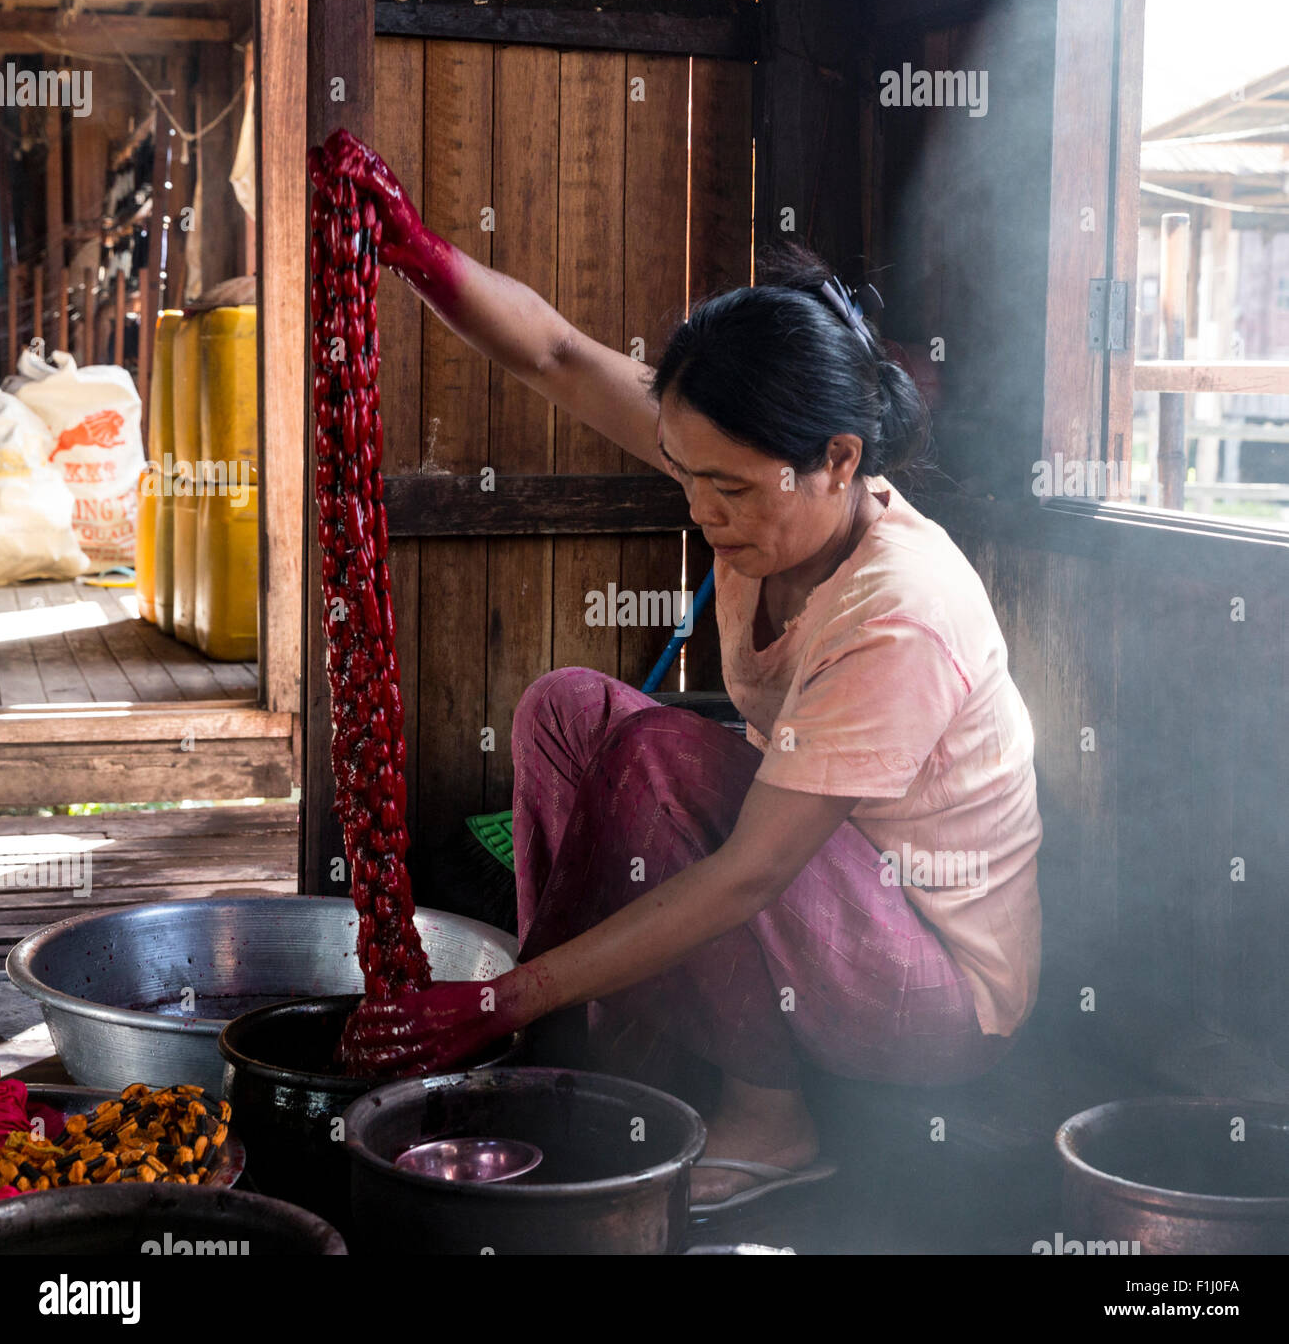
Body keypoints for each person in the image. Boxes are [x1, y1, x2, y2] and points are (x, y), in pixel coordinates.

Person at [314, 130, 1043, 1214]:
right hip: (816, 924)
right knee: (567, 711)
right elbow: (556, 354)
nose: (702, 512)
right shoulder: (751, 471)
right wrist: (418, 253)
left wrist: (493, 1003)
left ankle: (767, 1116)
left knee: (658, 758)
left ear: (839, 459)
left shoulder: (900, 613)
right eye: (688, 476)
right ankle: (603, 1047)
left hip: (930, 991)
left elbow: (750, 872)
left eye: (730, 494)